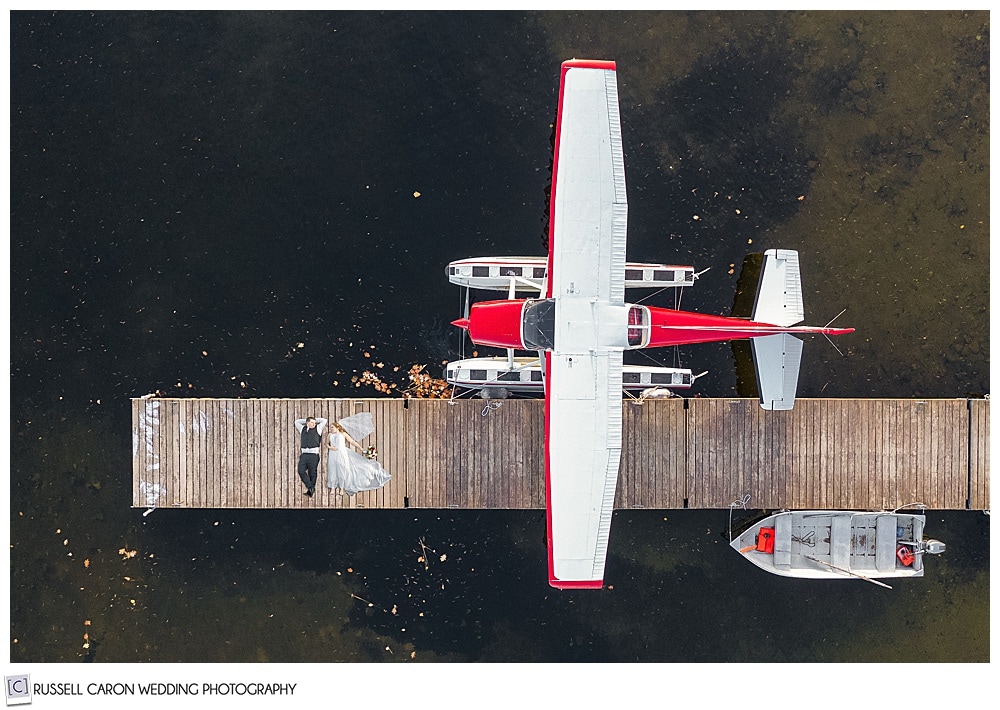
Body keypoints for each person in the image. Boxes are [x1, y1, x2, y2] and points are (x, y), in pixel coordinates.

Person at [327, 415, 392, 496]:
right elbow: (326, 444)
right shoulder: (330, 435)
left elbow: (352, 442)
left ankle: (342, 489)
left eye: (332, 427)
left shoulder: (343, 434)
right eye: (330, 427)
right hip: (333, 453)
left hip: (342, 453)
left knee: (342, 469)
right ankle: (333, 488)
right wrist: (330, 447)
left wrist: (361, 448)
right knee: (332, 469)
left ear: (337, 427)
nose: (331, 429)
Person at [294, 416, 327, 497]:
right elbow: (296, 421)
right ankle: (310, 487)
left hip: (313, 455)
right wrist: (306, 420)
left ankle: (310, 490)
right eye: (311, 422)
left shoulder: (318, 429)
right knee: (301, 471)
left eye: (314, 423)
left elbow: (324, 420)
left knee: (312, 473)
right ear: (307, 422)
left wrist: (315, 420)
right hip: (304, 455)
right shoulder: (302, 429)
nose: (313, 424)